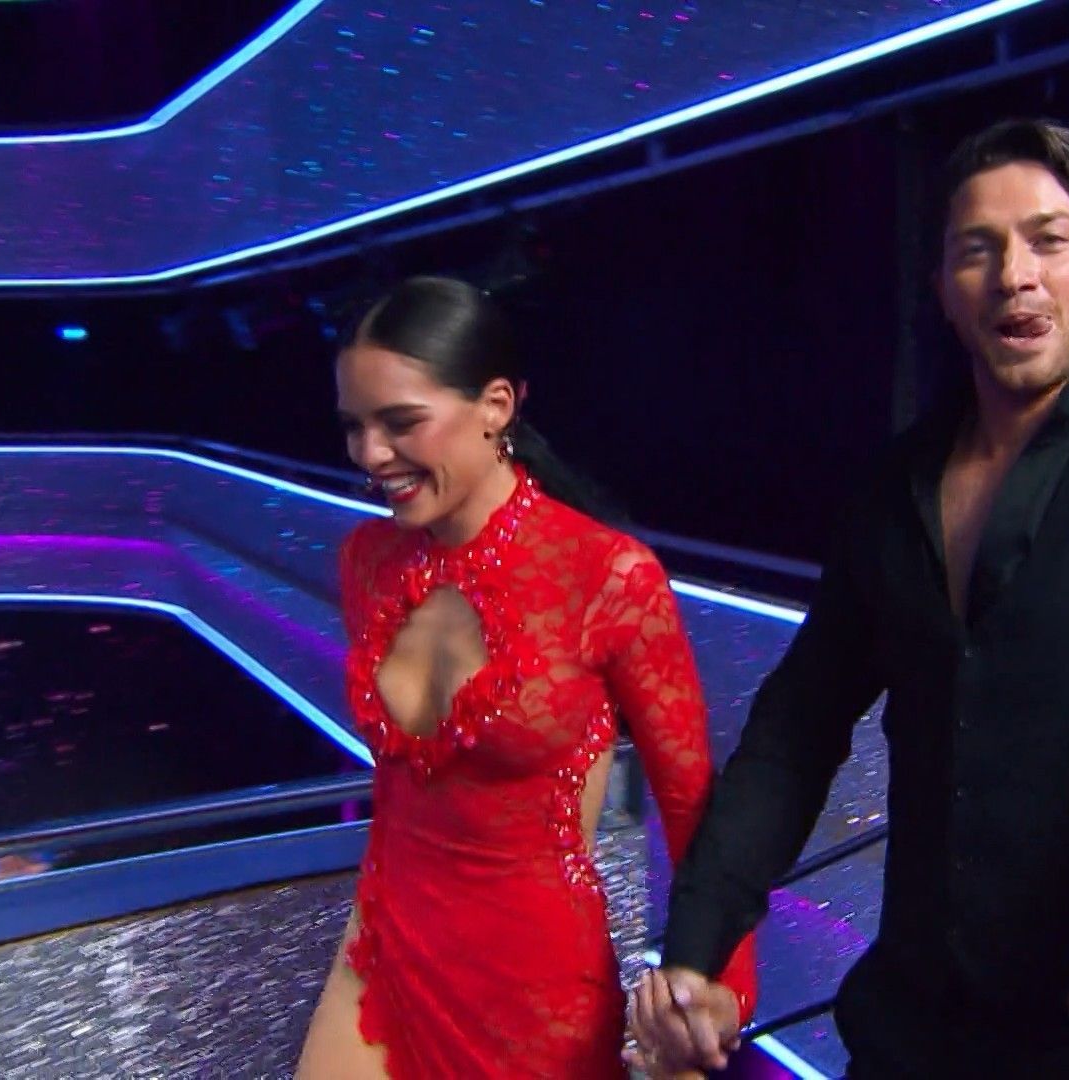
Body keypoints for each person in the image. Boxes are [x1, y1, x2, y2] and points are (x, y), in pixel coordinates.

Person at [628, 118, 1069, 1078]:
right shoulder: (891, 492)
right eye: (979, 250)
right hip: (913, 1041)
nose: (1015, 275)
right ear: (943, 289)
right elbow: (795, 735)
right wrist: (696, 949)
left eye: (1050, 241)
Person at [296, 277, 757, 1078]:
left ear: (497, 406)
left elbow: (693, 811)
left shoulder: (609, 576)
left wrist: (723, 989)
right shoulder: (365, 562)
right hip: (384, 947)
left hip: (532, 989)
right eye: (354, 427)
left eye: (400, 423)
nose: (370, 456)